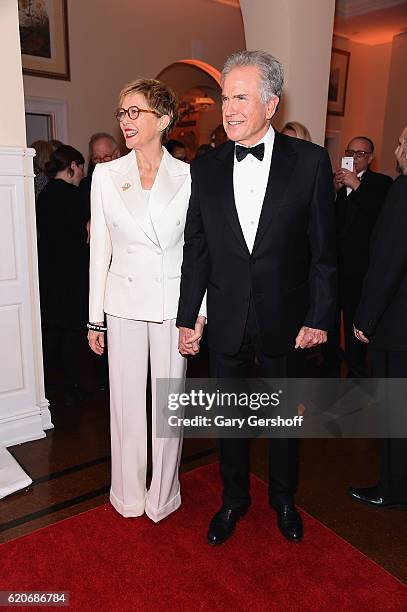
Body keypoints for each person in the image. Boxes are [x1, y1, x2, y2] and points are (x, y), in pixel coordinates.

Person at [177, 50, 336, 544]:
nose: (229, 109)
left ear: (271, 104)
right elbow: (197, 248)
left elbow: (324, 252)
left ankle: (284, 499)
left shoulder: (309, 162)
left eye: (240, 97)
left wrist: (319, 315)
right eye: (226, 98)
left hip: (285, 318)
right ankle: (233, 499)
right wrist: (190, 315)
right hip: (225, 316)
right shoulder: (205, 167)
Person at [88, 78, 206, 522]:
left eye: (134, 112)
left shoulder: (189, 176)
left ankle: (162, 496)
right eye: (121, 113)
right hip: (121, 304)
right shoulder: (105, 175)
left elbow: (199, 252)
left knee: (169, 405)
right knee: (125, 406)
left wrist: (198, 314)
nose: (125, 121)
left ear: (164, 119)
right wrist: (94, 319)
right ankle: (128, 494)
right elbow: (100, 252)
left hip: (172, 306)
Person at [350, 126, 407, 508]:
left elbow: (388, 261)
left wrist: (364, 318)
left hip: (396, 323)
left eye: (402, 142)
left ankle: (394, 488)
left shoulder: (403, 190)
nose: (397, 148)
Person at [329, 137, 393, 377]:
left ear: (370, 157)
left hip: (361, 270)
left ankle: (356, 372)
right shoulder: (333, 181)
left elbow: (381, 219)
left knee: (356, 324)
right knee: (329, 324)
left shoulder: (381, 184)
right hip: (333, 268)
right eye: (350, 152)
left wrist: (357, 185)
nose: (354, 158)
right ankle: (329, 368)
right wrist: (333, 192)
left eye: (360, 153)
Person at [36, 145, 89, 405]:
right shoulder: (74, 196)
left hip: (49, 274)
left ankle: (41, 387)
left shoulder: (44, 195)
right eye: (80, 168)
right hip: (72, 274)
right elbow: (84, 236)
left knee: (52, 333)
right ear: (72, 166)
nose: (81, 174)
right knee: (71, 333)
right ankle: (72, 386)